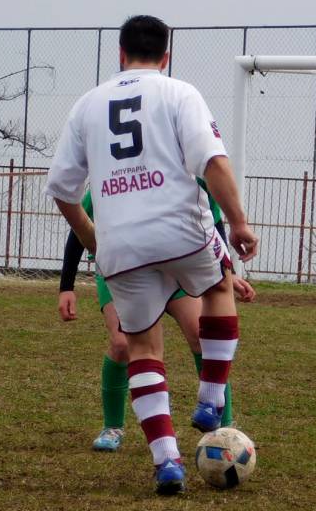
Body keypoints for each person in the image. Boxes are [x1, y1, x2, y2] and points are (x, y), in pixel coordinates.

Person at [46, 14, 258, 495]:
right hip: (180, 229)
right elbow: (213, 162)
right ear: (166, 57)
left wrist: (95, 239)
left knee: (141, 349)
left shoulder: (88, 104)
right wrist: (239, 223)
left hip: (121, 247)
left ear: (120, 54)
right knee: (219, 285)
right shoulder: (180, 93)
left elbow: (62, 190)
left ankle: (167, 463)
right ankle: (210, 398)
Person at [58, 187, 255, 453]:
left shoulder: (190, 171)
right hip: (122, 269)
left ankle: (224, 426)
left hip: (174, 267)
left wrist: (226, 271)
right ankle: (112, 426)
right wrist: (66, 287)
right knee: (122, 344)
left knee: (201, 335)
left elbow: (213, 220)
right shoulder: (112, 172)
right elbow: (78, 224)